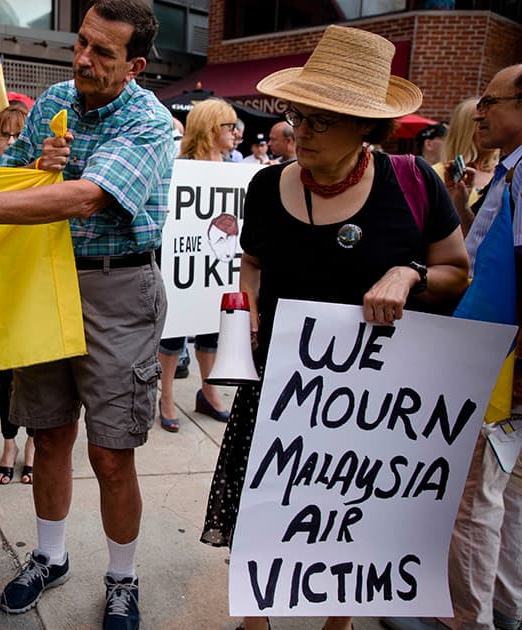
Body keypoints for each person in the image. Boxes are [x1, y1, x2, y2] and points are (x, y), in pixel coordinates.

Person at [0, 1, 172, 627]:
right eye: (82, 42)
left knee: (111, 452)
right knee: (48, 434)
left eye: (103, 53)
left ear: (133, 65)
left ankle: (123, 578)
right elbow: (16, 174)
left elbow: (86, 198)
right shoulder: (51, 98)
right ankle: (51, 557)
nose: (83, 58)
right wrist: (30, 169)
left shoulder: (151, 122)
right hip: (40, 283)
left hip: (117, 292)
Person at [200, 25, 469, 630]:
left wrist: (409, 272)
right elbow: (254, 261)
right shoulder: (268, 186)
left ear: (365, 127)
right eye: (299, 116)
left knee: (347, 518)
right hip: (281, 385)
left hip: (369, 400)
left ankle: (337, 622)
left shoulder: (413, 181)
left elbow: (457, 273)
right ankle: (254, 621)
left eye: (323, 121)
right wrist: (242, 323)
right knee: (262, 509)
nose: (302, 132)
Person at [442, 63, 522, 630]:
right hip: (499, 354)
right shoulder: (507, 173)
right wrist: (458, 203)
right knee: (508, 494)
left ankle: (468, 620)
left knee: (474, 498)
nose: (481, 112)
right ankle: (505, 609)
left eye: (492, 101)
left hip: (502, 362)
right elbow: (485, 252)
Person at [157, 98, 238, 432]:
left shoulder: (234, 169)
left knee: (212, 328)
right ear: (210, 128)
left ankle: (208, 390)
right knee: (174, 333)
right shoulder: (180, 168)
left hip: (217, 264)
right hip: (183, 263)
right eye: (229, 126)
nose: (236, 133)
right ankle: (166, 396)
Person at [0, 102, 36, 484]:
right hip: (0, 291)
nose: (9, 141)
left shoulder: (44, 180)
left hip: (33, 288)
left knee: (39, 374)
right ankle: (10, 444)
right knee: (5, 376)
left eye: (17, 134)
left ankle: (34, 444)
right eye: (3, 134)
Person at [436, 96, 500, 236]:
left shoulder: (503, 174)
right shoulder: (439, 173)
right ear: (466, 130)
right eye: (482, 122)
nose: (494, 128)